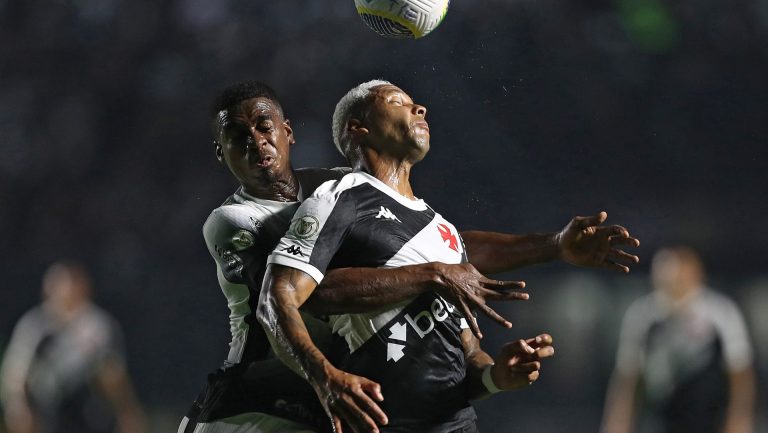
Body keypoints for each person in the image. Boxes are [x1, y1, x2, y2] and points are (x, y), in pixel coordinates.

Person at [181, 80, 639, 433]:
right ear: (220, 153)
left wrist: (553, 245)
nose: (255, 141)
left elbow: (439, 247)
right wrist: (435, 273)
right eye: (237, 135)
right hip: (256, 400)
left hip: (336, 400)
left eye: (264, 127)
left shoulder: (336, 184)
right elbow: (298, 295)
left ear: (287, 133)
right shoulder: (238, 220)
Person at [600, 246, 755, 433]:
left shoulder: (720, 312)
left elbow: (740, 373)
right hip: (661, 415)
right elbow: (628, 375)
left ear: (695, 274)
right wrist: (618, 422)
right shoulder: (643, 315)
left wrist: (738, 420)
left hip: (708, 417)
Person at [0, 262, 146, 433]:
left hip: (88, 406)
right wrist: (18, 406)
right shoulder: (35, 325)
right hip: (45, 403)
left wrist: (127, 411)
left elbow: (112, 374)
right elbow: (16, 373)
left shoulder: (98, 325)